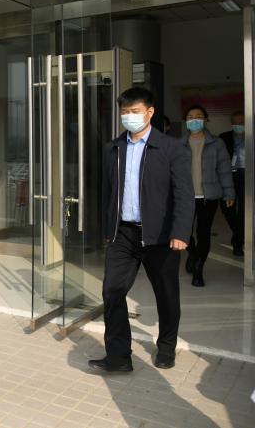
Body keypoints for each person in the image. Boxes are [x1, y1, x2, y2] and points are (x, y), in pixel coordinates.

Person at [90, 87, 193, 373]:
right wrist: (107, 228)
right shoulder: (113, 148)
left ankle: (167, 347)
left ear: (150, 112)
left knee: (166, 294)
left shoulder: (171, 148)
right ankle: (118, 356)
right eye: (125, 112)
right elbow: (108, 192)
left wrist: (181, 232)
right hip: (123, 234)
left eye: (135, 111)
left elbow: (184, 194)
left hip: (160, 236)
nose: (129, 117)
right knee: (112, 291)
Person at [182, 105, 234, 286]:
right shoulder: (178, 144)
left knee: (203, 232)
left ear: (205, 120)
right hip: (185, 197)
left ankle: (198, 269)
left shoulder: (216, 143)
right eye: (190, 117)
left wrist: (229, 193)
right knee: (184, 232)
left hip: (208, 197)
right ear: (185, 121)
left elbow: (224, 170)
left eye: (198, 116)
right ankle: (193, 253)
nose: (194, 120)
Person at [219, 110, 246, 257]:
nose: (238, 125)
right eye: (235, 123)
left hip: (247, 176)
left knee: (243, 211)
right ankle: (239, 233)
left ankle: (237, 244)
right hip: (228, 176)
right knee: (227, 209)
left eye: (241, 123)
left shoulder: (251, 136)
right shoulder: (224, 137)